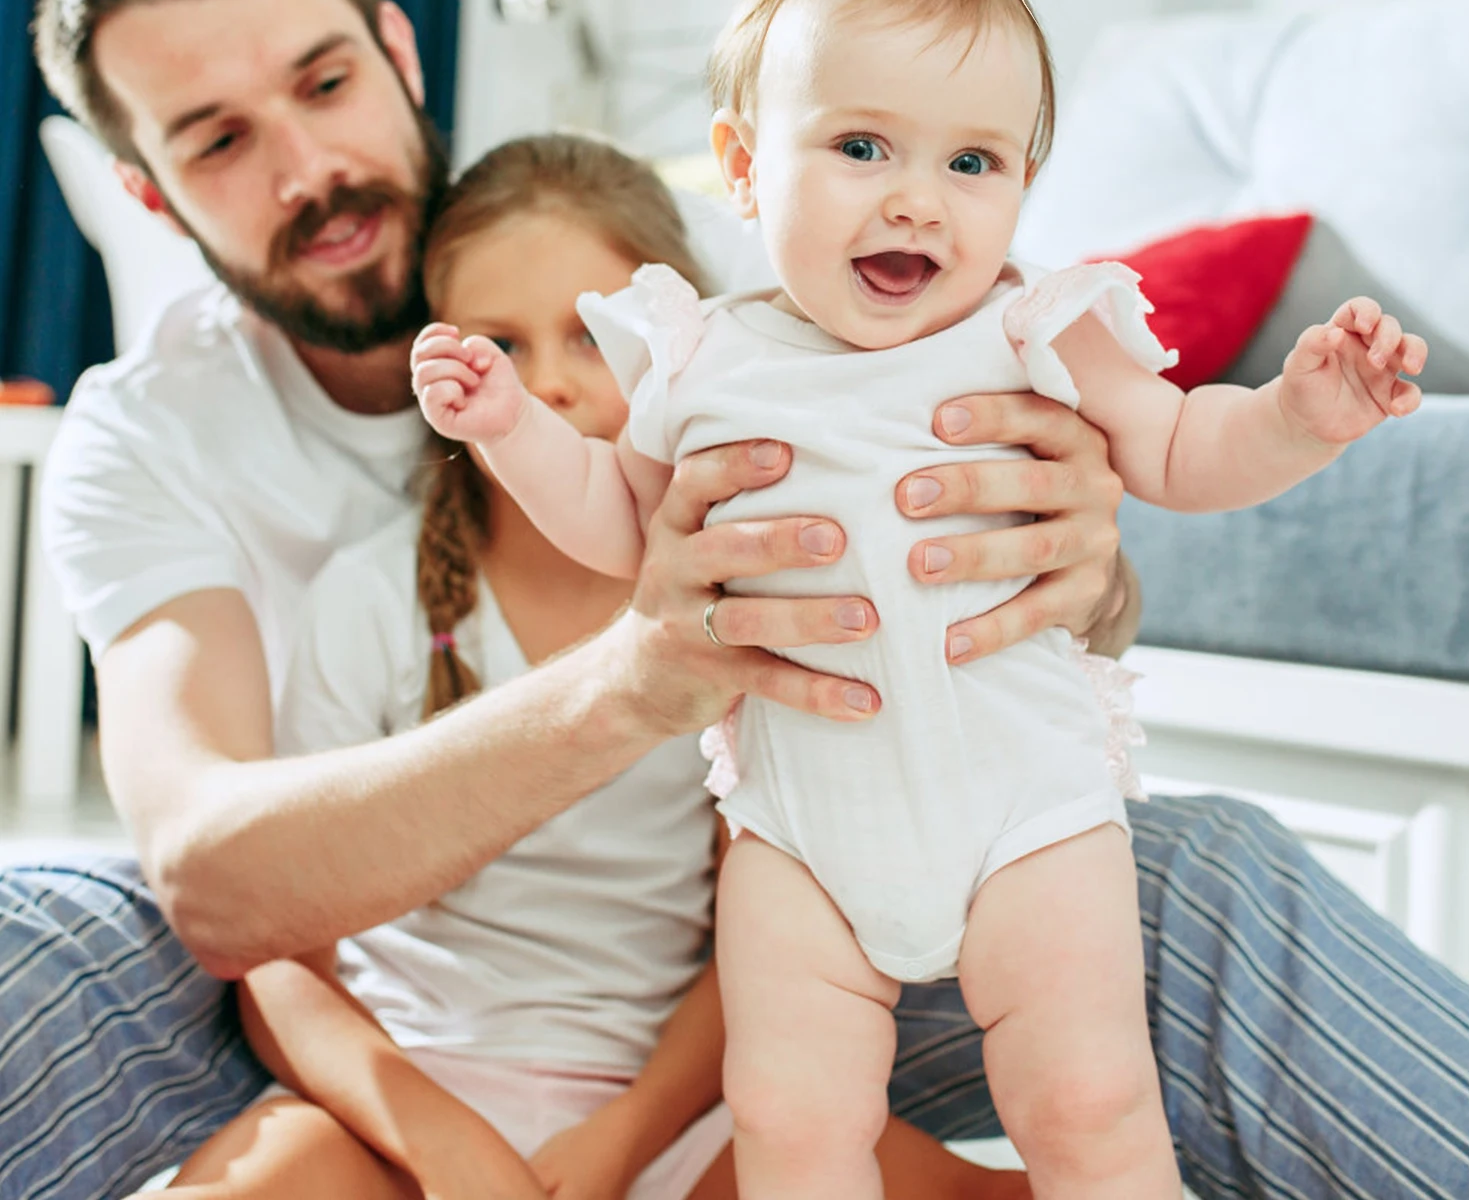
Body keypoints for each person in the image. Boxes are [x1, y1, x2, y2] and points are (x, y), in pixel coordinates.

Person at [4, 0, 1469, 1200]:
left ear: (400, 51)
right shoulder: (150, 437)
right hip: (395, 963)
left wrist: (1084, 548)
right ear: (147, 193)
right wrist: (634, 677)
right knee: (59, 932)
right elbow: (213, 880)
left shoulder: (733, 252)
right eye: (215, 139)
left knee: (1193, 877)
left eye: (326, 79)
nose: (309, 164)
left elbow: (1062, 504)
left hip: (814, 875)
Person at [410, 0, 1435, 1200]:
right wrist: (511, 428)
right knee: (789, 1122)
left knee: (1088, 1106)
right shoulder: (704, 353)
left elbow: (1188, 451)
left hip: (1027, 814)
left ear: (1021, 183)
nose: (917, 204)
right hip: (801, 837)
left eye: (973, 164)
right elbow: (617, 526)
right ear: (743, 161)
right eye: (862, 147)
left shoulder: (1039, 329)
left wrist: (1305, 417)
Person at [168, 133, 1023, 1200]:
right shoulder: (370, 593)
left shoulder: (755, 600)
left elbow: (770, 945)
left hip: (674, 1111)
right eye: (501, 345)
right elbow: (282, 958)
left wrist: (620, 1140)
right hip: (405, 1112)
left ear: (681, 350)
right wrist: (446, 1147)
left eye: (591, 337)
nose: (552, 386)